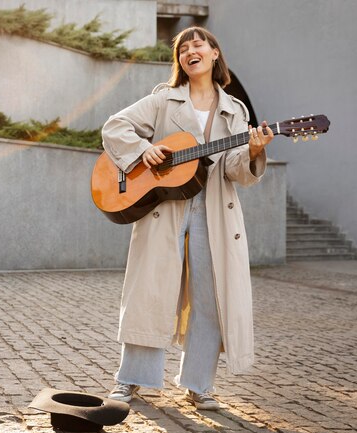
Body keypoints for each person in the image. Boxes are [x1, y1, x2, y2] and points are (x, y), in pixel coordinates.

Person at [101, 26, 274, 410]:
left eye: (198, 44)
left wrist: (253, 151)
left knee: (212, 296)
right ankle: (130, 380)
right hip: (165, 206)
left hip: (213, 208)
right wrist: (142, 150)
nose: (190, 50)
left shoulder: (236, 110)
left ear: (215, 54)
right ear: (180, 61)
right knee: (150, 292)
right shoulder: (163, 100)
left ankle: (199, 384)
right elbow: (115, 127)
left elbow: (234, 169)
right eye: (183, 48)